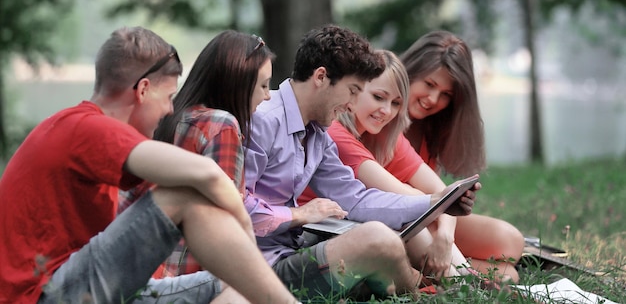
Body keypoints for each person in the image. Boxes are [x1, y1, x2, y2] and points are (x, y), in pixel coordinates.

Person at [0, 26, 298, 304]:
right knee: (184, 195)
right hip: (44, 293)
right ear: (142, 90)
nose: (171, 108)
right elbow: (205, 173)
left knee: (236, 287)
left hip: (82, 285)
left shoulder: (86, 136)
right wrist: (244, 229)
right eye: (168, 96)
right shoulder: (84, 127)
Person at [242, 24, 481, 300]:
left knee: (383, 233)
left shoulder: (318, 136)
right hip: (259, 267)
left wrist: (435, 202)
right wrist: (297, 215)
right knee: (380, 239)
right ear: (321, 77)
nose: (352, 104)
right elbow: (236, 207)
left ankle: (434, 289)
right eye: (353, 90)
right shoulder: (264, 120)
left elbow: (356, 200)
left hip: (293, 250)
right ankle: (425, 295)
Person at [127, 30, 273, 277]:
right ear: (237, 84)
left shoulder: (170, 116)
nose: (268, 96)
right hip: (190, 274)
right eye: (263, 85)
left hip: (145, 263)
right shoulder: (222, 125)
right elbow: (226, 221)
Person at [401, 30, 525, 281]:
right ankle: (438, 270)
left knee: (510, 251)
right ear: (410, 72)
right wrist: (444, 205)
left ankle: (446, 264)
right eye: (429, 84)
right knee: (502, 275)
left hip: (428, 217)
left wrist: (447, 228)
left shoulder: (430, 127)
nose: (433, 99)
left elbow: (435, 194)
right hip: (395, 222)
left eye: (446, 94)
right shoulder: (380, 118)